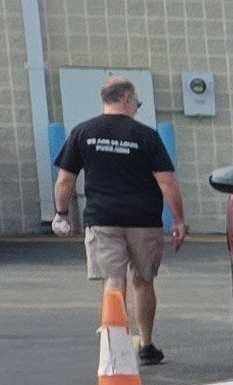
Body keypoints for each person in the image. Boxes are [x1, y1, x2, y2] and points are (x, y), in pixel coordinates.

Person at [52, 78, 183, 365]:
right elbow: (167, 182)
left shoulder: (83, 132)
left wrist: (61, 214)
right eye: (136, 101)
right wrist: (179, 220)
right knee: (144, 281)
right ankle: (146, 345)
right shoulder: (147, 136)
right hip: (144, 220)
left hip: (103, 219)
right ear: (125, 98)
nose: (137, 106)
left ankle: (116, 349)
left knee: (113, 279)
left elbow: (65, 181)